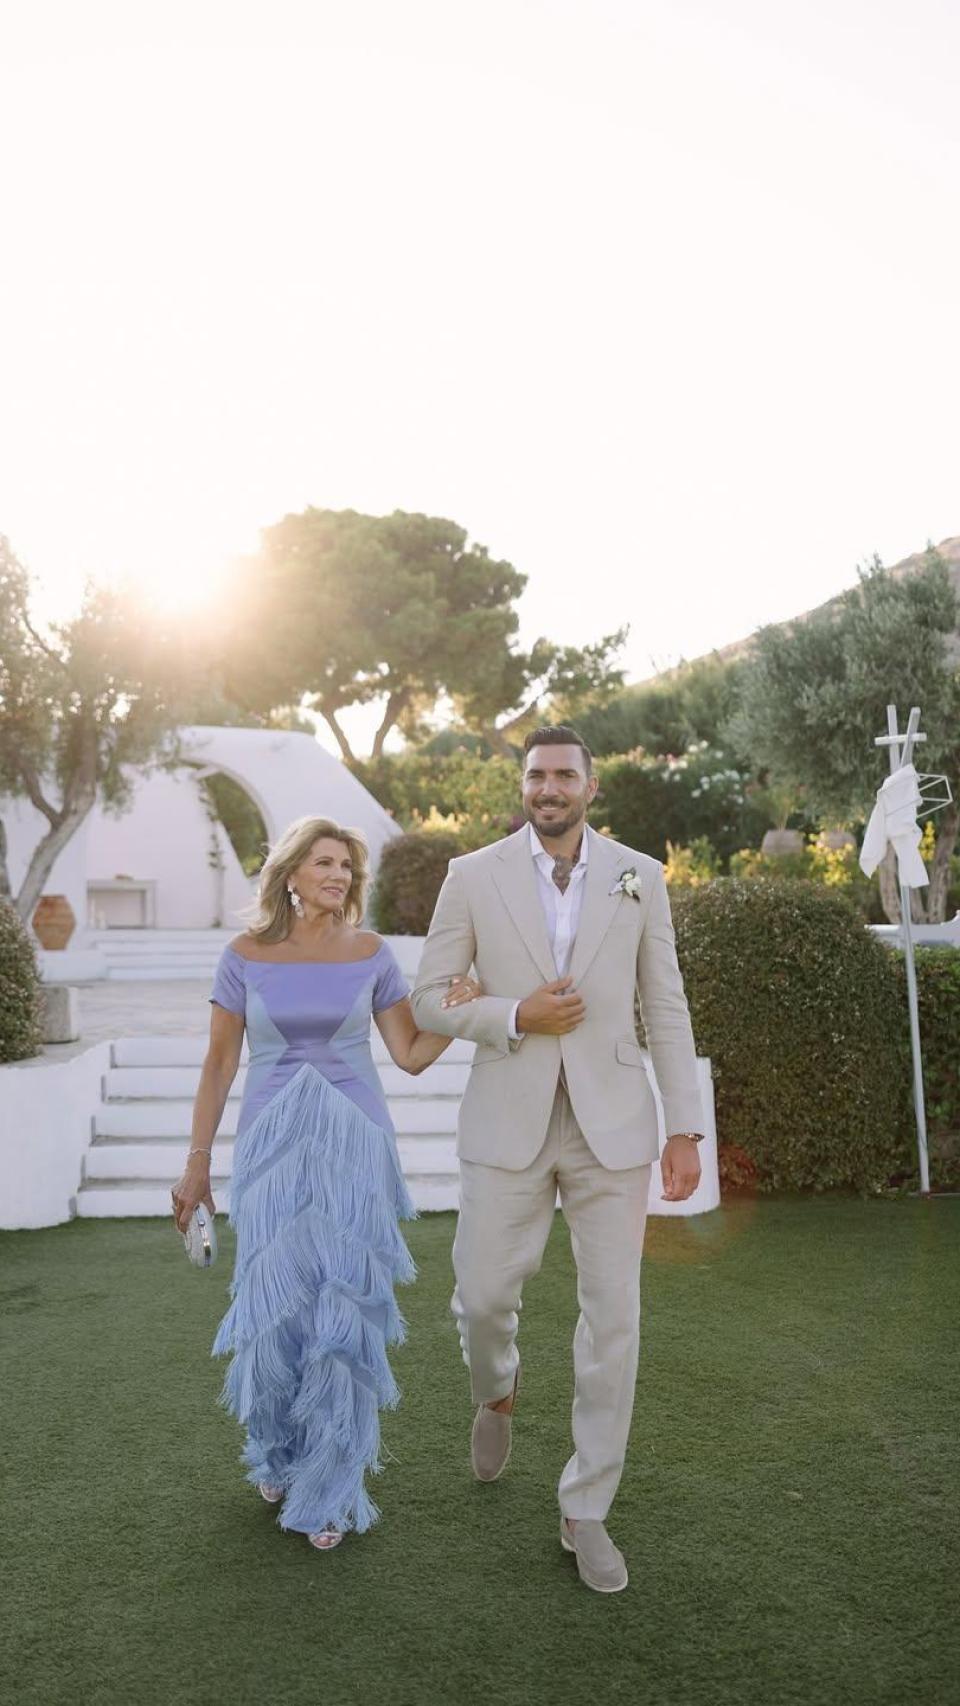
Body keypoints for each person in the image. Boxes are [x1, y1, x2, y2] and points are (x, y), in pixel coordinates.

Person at [411, 726, 705, 1594]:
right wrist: (514, 1015)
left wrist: (684, 1128)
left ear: (589, 786)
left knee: (614, 1320)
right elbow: (428, 999)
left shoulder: (640, 875)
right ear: (523, 786)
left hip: (614, 1126)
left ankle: (587, 1508)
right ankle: (496, 1389)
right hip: (508, 1116)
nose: (549, 787)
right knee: (481, 1297)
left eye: (564, 775)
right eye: (536, 774)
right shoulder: (471, 875)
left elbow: (666, 1003)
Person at [171, 815, 479, 1552]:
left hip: (354, 1148)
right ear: (290, 875)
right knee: (275, 1312)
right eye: (324, 863)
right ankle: (278, 1454)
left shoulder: (371, 953)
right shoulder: (243, 955)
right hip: (271, 1152)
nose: (339, 876)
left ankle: (331, 1487)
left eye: (346, 866)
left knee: (344, 1316)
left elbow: (409, 1054)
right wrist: (196, 1160)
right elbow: (219, 1063)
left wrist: (462, 1010)